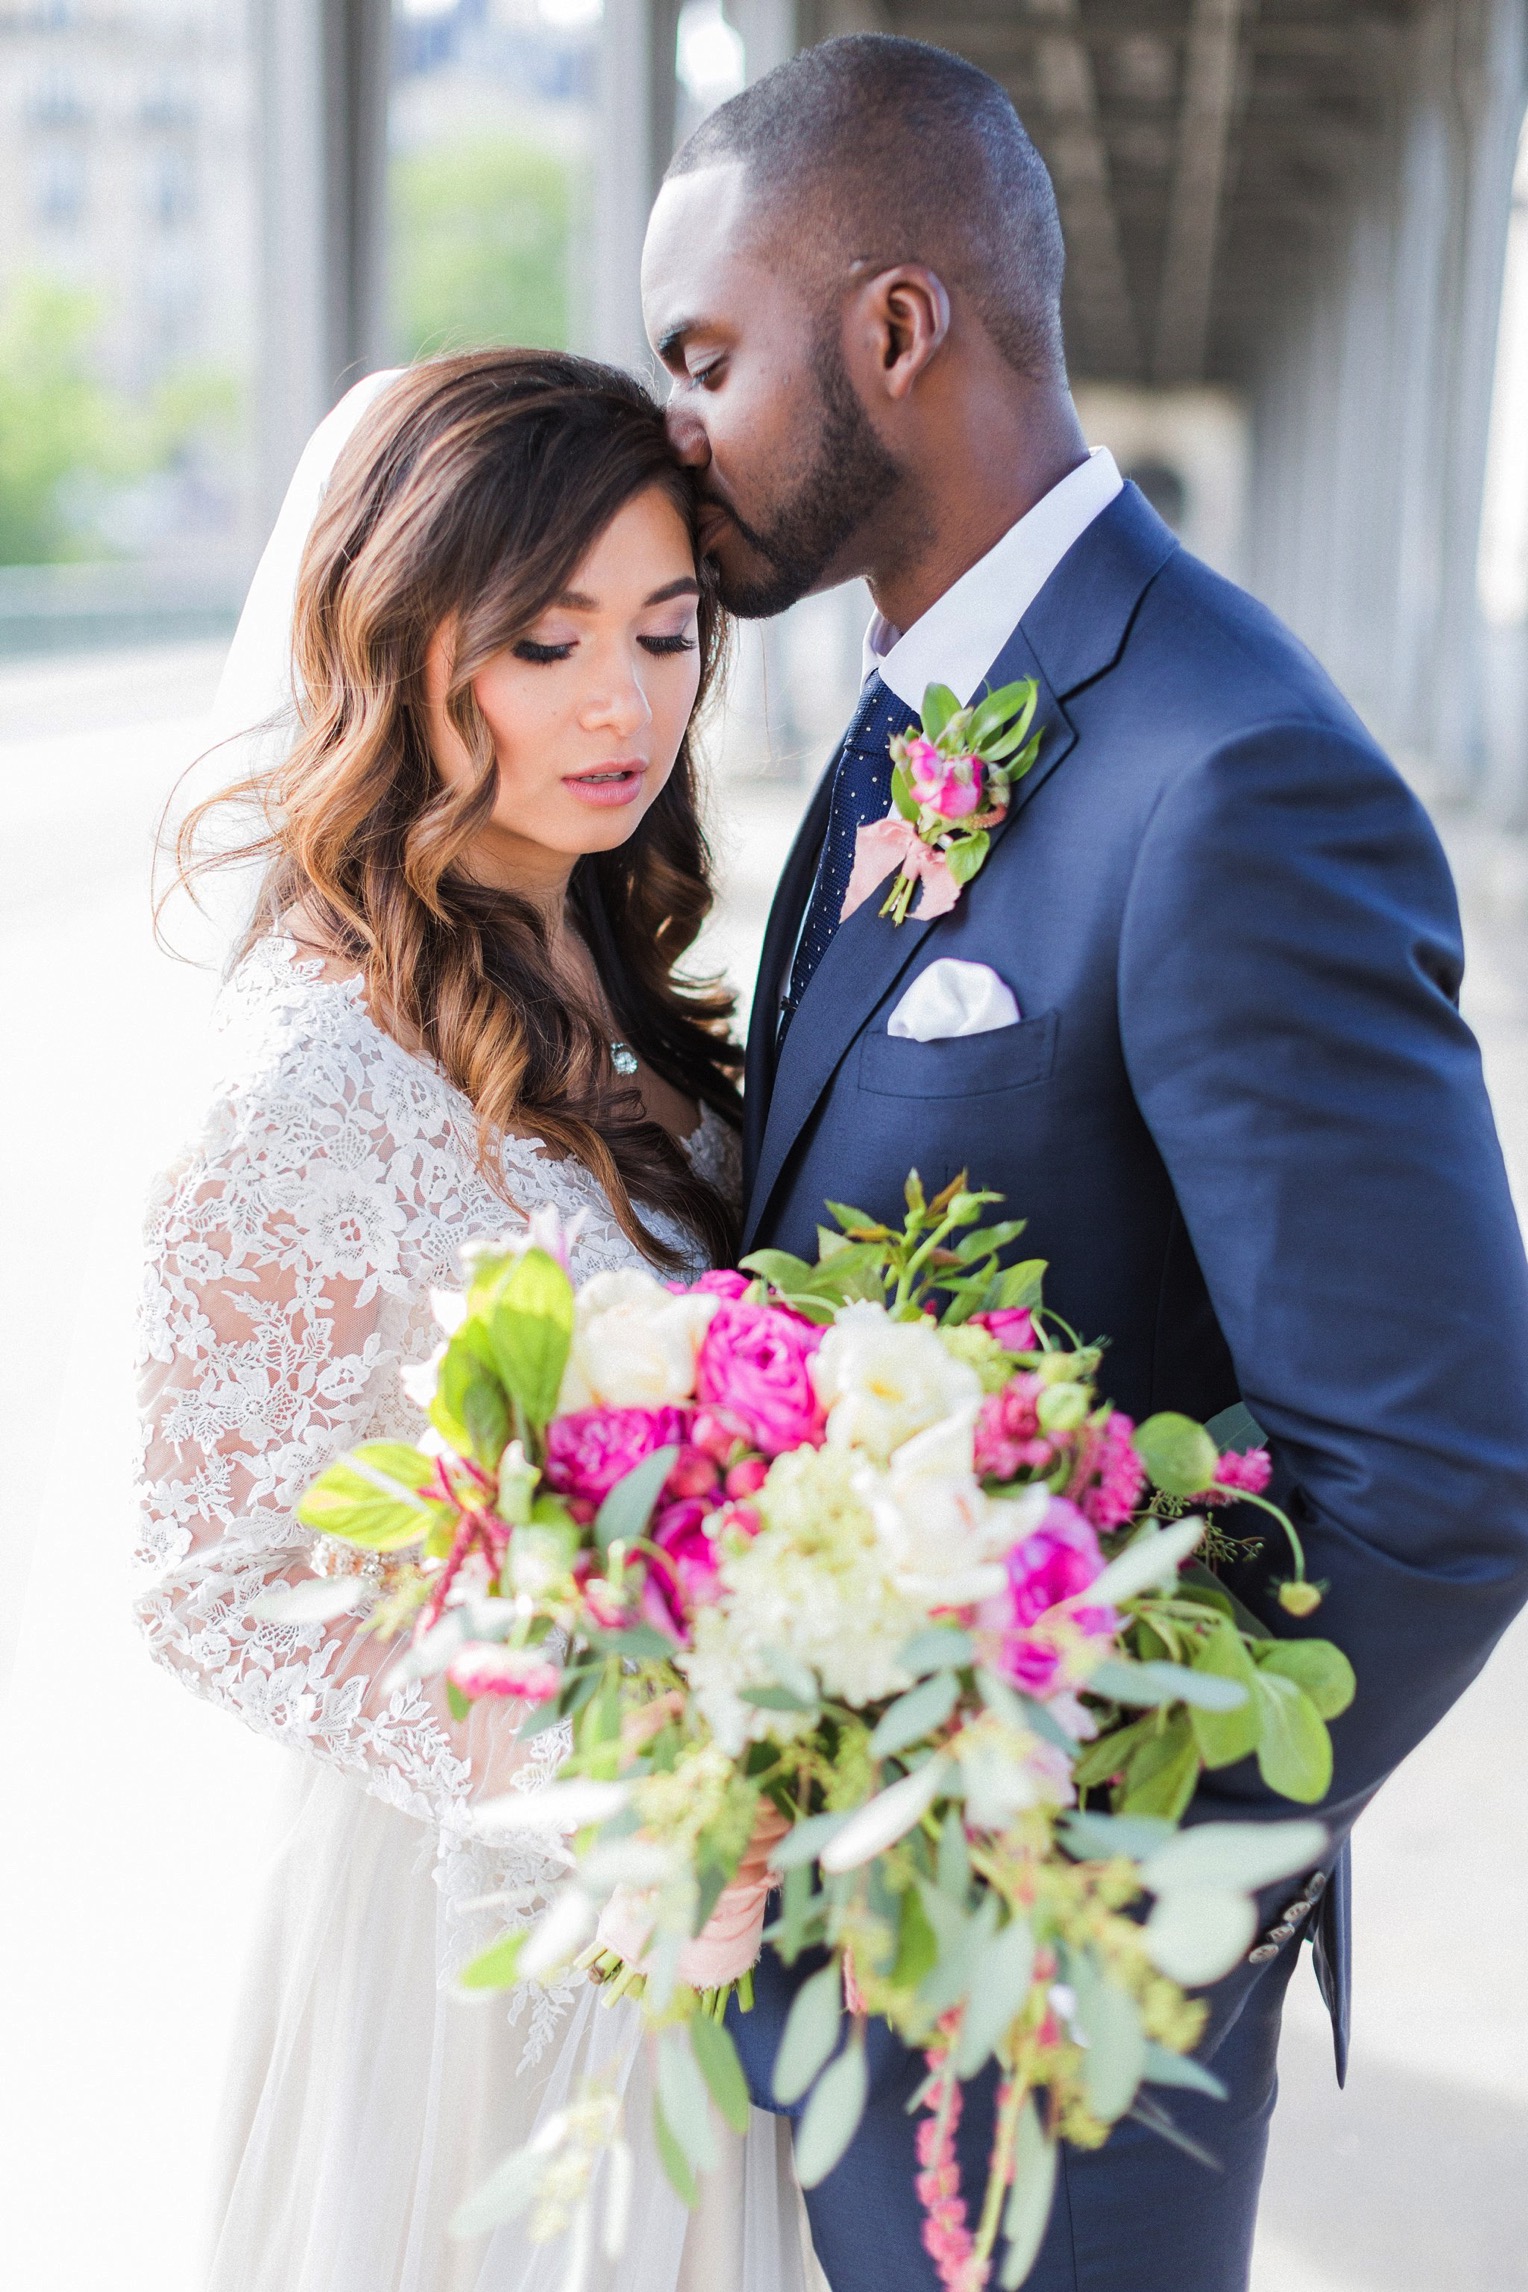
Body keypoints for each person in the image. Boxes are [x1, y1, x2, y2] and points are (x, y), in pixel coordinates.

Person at [641, 33, 1528, 2292]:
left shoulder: (1230, 775)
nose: (672, 428)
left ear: (895, 330)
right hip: (813, 1964)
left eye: (705, 355)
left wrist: (1060, 1875)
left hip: (1043, 2015)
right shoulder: (887, 722)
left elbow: (1435, 1472)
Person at [133, 351, 811, 2292]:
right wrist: (617, 1786)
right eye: (541, 642)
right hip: (477, 1951)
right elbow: (207, 1569)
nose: (623, 705)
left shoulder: (605, 953)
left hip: (694, 1917)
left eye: (666, 634)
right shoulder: (301, 1082)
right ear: (401, 642)